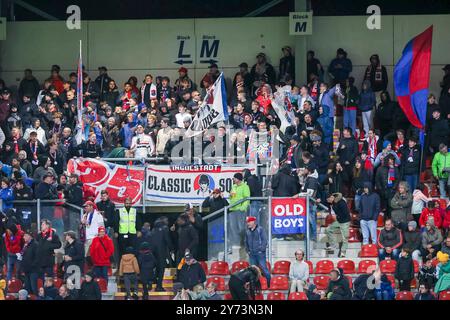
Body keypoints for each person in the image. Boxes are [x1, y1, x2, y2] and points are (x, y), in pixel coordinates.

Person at [244, 216, 270, 285]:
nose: (248, 223)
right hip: (252, 254)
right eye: (247, 222)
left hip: (260, 253)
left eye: (249, 222)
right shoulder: (247, 232)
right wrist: (248, 250)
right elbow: (245, 242)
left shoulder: (260, 229)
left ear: (253, 222)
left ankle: (269, 283)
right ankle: (254, 285)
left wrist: (261, 250)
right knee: (253, 271)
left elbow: (264, 240)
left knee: (264, 268)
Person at [228, 173, 250, 252]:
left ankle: (244, 242)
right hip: (232, 210)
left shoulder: (245, 187)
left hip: (240, 210)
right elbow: (232, 197)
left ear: (238, 179)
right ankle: (236, 243)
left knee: (241, 227)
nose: (233, 180)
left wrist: (242, 208)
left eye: (234, 178)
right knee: (233, 227)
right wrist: (230, 196)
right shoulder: (233, 186)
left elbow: (247, 198)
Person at [151, 216, 174, 291]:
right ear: (164, 221)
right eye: (167, 220)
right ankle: (159, 286)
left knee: (155, 267)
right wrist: (171, 248)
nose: (168, 222)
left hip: (153, 250)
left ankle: (153, 282)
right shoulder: (165, 228)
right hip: (161, 250)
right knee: (161, 268)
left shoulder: (154, 228)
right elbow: (167, 239)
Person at [325, 193, 351, 257]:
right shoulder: (332, 204)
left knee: (345, 237)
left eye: (328, 200)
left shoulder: (341, 202)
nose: (328, 201)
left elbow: (345, 213)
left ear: (332, 197)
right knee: (328, 229)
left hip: (345, 221)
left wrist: (338, 218)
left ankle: (343, 252)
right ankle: (333, 245)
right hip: (339, 221)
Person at [20, 230, 39, 295]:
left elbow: (37, 258)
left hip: (33, 271)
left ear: (29, 236)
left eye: (25, 236)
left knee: (34, 288)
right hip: (26, 271)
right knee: (27, 288)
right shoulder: (25, 245)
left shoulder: (35, 245)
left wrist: (31, 266)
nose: (23, 237)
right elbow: (24, 256)